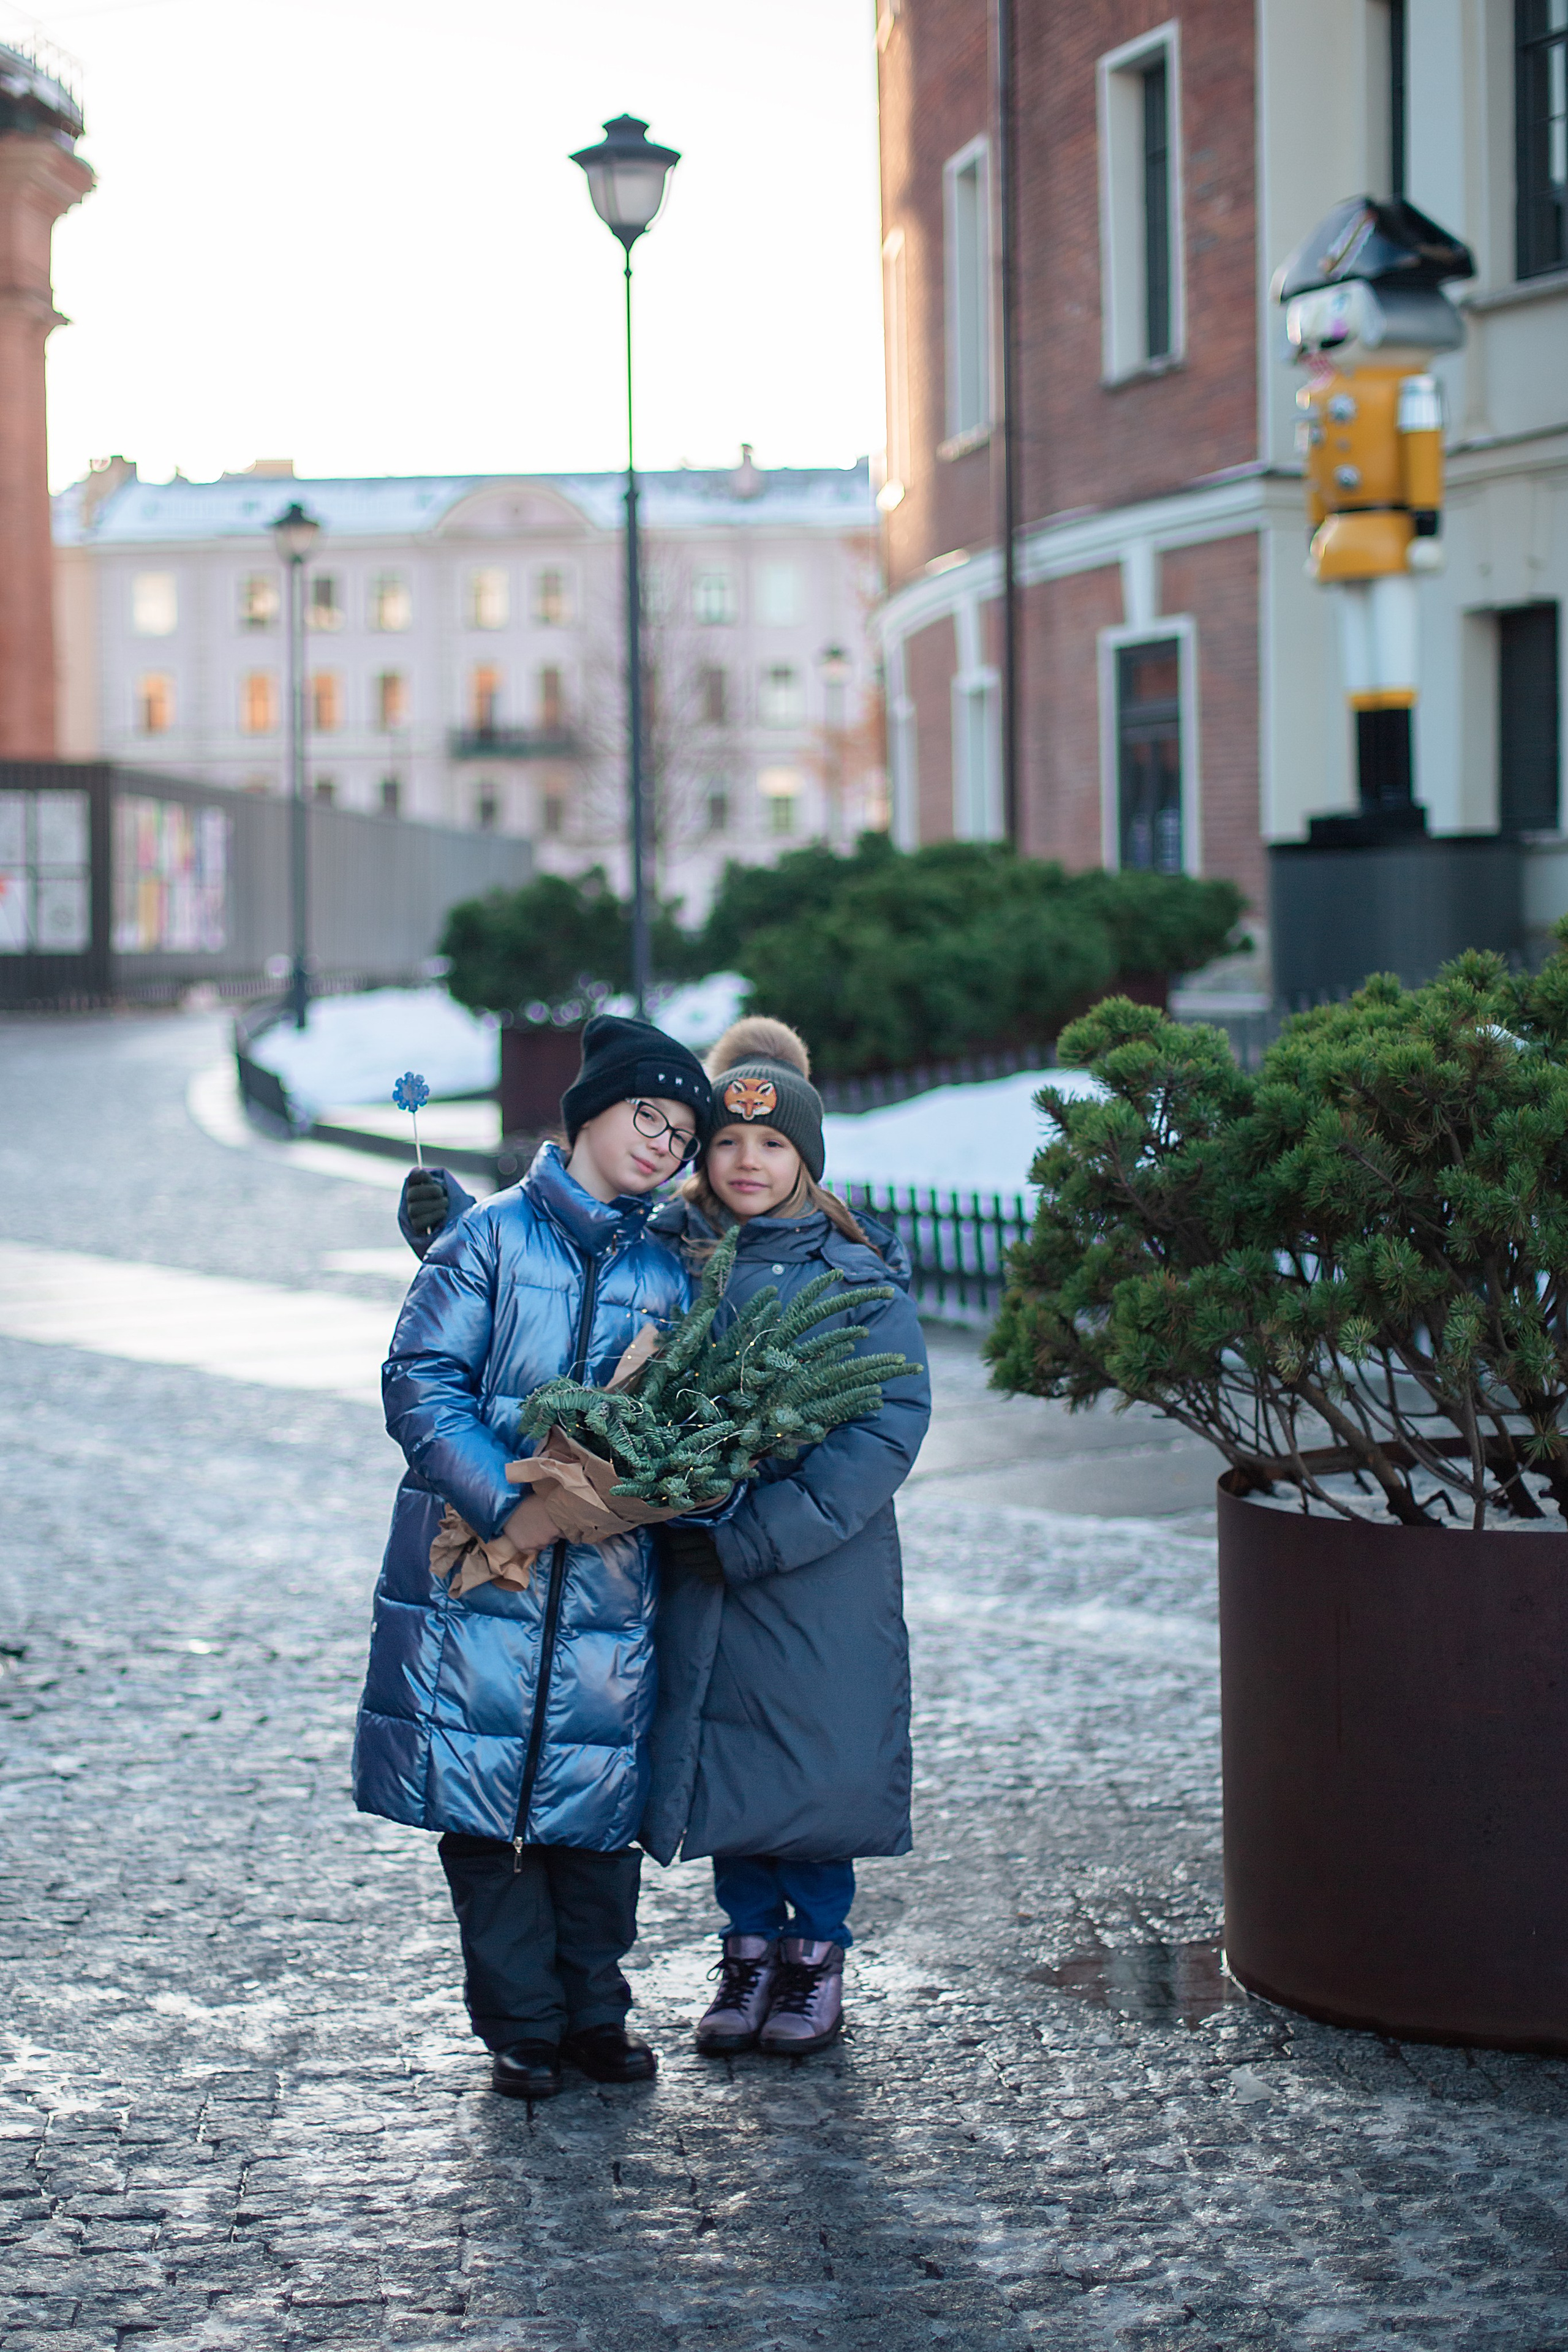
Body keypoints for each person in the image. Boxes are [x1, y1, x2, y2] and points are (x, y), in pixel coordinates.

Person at [352, 1012, 711, 2103]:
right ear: (593, 1112)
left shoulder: (669, 1268)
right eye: (649, 1115)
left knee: (594, 1807)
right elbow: (420, 1380)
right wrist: (499, 1489)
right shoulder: (491, 1238)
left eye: (682, 1135)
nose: (664, 1144)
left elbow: (687, 1415)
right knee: (488, 1809)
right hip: (477, 1579)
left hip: (605, 1586)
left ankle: (597, 2014)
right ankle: (521, 2026)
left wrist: (632, 1487)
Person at [640, 1016, 930, 2057]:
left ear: (805, 1158)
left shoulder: (855, 1277)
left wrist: (756, 1532)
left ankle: (816, 1959)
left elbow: (887, 1425)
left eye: (771, 1145)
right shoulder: (671, 1262)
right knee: (730, 1764)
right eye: (726, 1142)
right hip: (699, 1564)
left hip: (814, 1577)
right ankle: (748, 1949)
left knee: (812, 1765)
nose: (747, 1162)